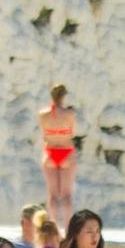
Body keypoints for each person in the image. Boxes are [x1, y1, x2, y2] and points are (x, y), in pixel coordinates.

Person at [36, 84, 83, 235]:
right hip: (66, 151)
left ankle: (55, 226)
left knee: (53, 194)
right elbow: (72, 132)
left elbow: (44, 133)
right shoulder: (70, 114)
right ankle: (69, 227)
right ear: (64, 96)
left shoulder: (43, 114)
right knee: (66, 194)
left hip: (50, 152)